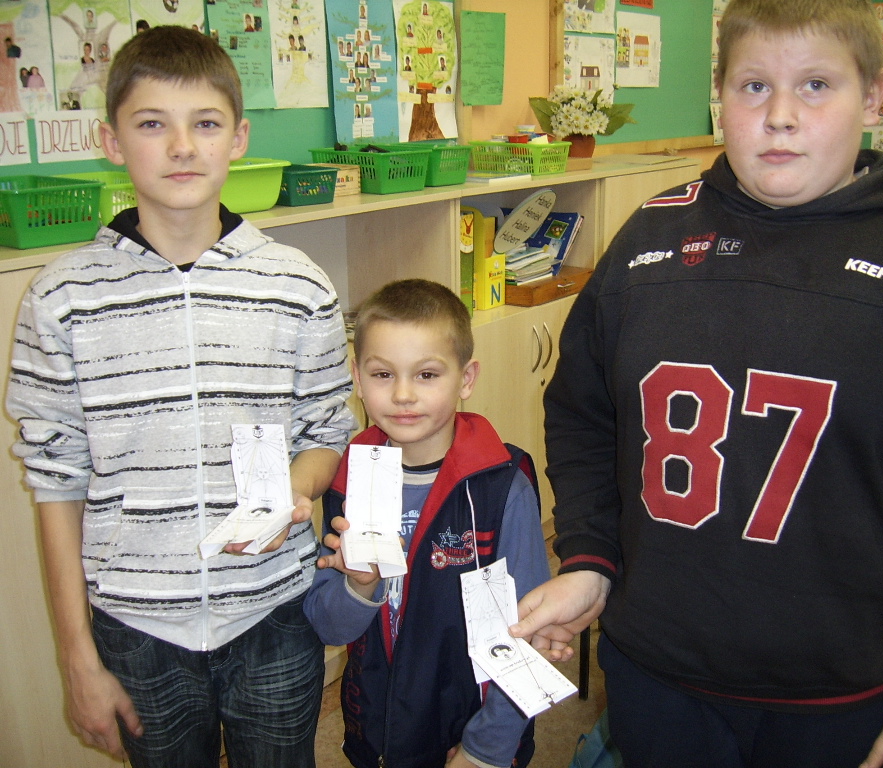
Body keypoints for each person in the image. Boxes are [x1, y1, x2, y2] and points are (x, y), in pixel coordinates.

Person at [510, 1, 883, 767]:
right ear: (720, 98)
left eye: (816, 84)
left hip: (850, 693)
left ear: (873, 98)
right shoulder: (649, 240)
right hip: (659, 676)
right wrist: (591, 556)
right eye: (753, 86)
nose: (780, 116)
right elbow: (584, 413)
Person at [5, 25, 356, 768]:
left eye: (205, 123)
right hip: (137, 629)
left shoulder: (297, 286)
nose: (182, 147)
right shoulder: (61, 298)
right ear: (111, 140)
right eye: (151, 124)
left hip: (272, 611)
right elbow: (54, 479)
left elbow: (327, 430)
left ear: (239, 138)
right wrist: (77, 658)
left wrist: (297, 490)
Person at [304, 279, 550, 768]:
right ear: (357, 379)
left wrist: (487, 747)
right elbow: (328, 625)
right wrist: (359, 586)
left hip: (468, 734)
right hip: (378, 728)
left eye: (427, 374)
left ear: (466, 378)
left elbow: (533, 635)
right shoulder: (349, 480)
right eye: (382, 374)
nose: (402, 394)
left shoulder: (501, 487)